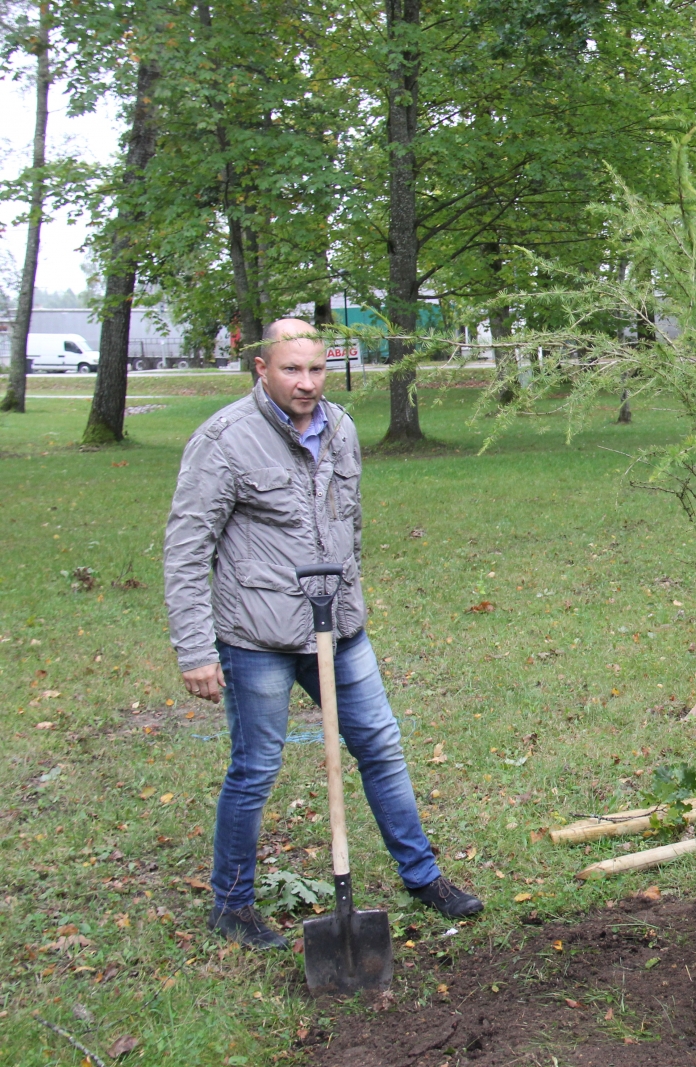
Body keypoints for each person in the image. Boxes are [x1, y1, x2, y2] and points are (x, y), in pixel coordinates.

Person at [164, 318, 481, 950]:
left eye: (316, 369)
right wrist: (197, 649)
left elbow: (350, 522)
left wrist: (352, 595)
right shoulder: (225, 439)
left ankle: (422, 877)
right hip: (259, 636)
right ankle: (231, 903)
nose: (306, 382)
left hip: (338, 628)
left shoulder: (340, 428)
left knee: (382, 747)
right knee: (256, 768)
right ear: (262, 368)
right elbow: (186, 548)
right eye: (291, 369)